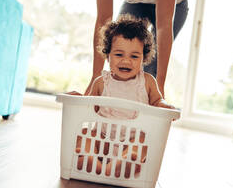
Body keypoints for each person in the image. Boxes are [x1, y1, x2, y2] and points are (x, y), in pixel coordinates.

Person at [67, 14, 175, 176]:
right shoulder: (101, 82)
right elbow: (88, 107)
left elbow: (157, 100)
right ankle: (90, 158)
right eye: (119, 54)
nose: (126, 61)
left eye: (134, 56)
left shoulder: (147, 82)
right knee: (85, 134)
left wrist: (165, 106)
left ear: (143, 58)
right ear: (108, 55)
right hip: (103, 138)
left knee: (143, 143)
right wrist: (78, 99)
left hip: (131, 139)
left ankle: (124, 162)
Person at [85, 0, 189, 97]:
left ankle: (146, 104)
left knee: (149, 63)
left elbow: (163, 26)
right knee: (119, 46)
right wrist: (95, 77)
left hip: (175, 4)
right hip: (135, 2)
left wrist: (160, 84)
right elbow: (103, 21)